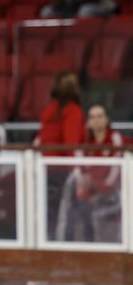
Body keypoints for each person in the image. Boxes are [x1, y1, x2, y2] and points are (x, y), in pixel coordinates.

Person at [53, 104, 125, 242]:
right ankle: (67, 244)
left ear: (107, 119)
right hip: (88, 190)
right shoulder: (83, 139)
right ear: (88, 122)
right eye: (92, 117)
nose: (96, 120)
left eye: (100, 116)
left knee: (94, 209)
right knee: (73, 197)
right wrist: (85, 189)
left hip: (110, 192)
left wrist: (102, 189)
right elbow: (79, 168)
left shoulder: (115, 139)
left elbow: (116, 170)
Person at [35, 71, 84, 156]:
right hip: (60, 163)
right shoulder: (73, 111)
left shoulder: (50, 109)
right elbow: (71, 144)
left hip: (44, 160)